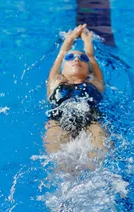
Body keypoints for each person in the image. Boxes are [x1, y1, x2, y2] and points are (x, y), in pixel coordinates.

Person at [43, 24, 107, 156]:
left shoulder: (95, 83)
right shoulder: (55, 82)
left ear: (88, 69)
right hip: (58, 122)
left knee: (101, 156)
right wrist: (69, 39)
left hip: (92, 121)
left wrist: (87, 40)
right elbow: (60, 55)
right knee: (59, 161)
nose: (77, 59)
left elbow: (91, 57)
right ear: (62, 69)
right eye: (70, 57)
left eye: (82, 59)